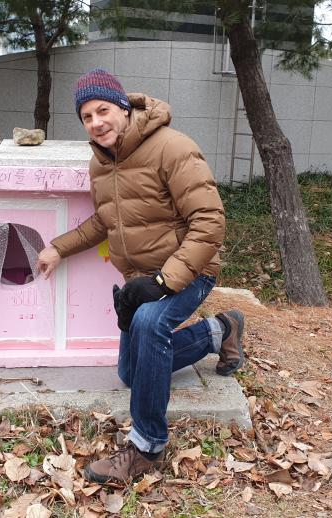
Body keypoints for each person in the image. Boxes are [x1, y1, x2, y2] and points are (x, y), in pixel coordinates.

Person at [35, 68, 245, 484]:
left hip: (190, 270)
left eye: (103, 110)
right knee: (132, 374)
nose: (96, 122)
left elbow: (210, 221)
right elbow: (105, 221)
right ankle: (219, 332)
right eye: (87, 117)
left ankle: (147, 447)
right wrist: (59, 247)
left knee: (150, 322)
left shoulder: (172, 147)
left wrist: (163, 282)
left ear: (124, 108)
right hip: (141, 281)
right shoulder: (101, 164)